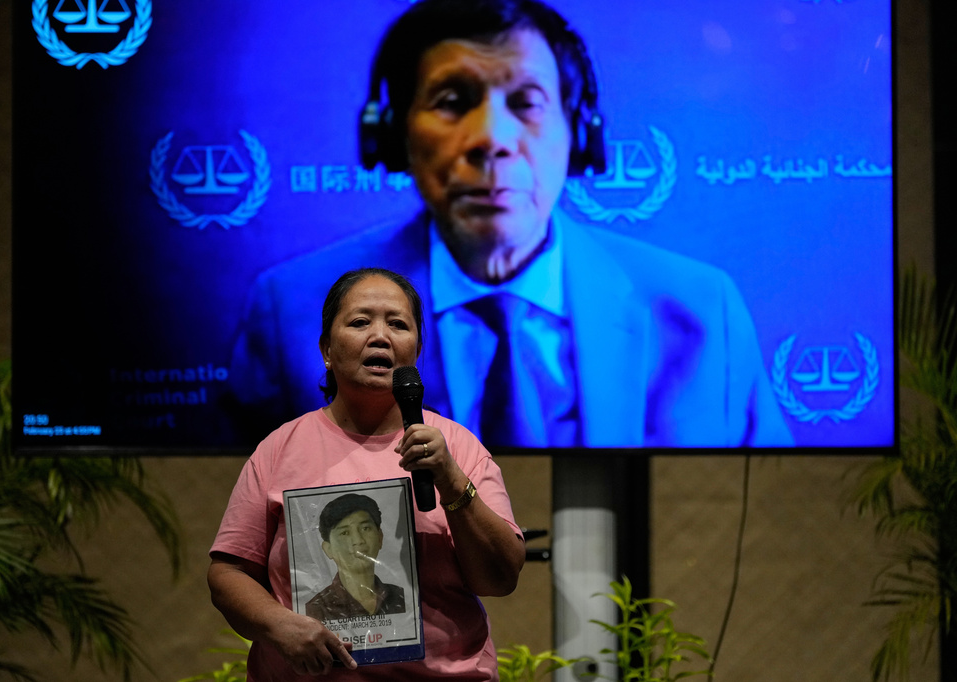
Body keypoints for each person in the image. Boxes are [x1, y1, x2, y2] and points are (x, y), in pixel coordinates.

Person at [228, 0, 794, 450]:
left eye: (526, 102)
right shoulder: (294, 312)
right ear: (395, 136)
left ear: (579, 135)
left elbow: (763, 509)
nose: (492, 139)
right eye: (452, 101)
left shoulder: (701, 311)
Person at [209, 267, 525, 681]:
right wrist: (276, 624)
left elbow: (500, 578)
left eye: (398, 324)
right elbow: (228, 572)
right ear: (326, 349)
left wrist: (451, 480)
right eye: (360, 322)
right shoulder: (279, 449)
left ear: (416, 349)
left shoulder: (458, 447)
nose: (381, 336)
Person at [304, 493, 407, 621]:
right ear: (328, 549)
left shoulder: (402, 597)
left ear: (380, 537)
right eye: (345, 533)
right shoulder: (315, 610)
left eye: (365, 528)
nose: (358, 540)